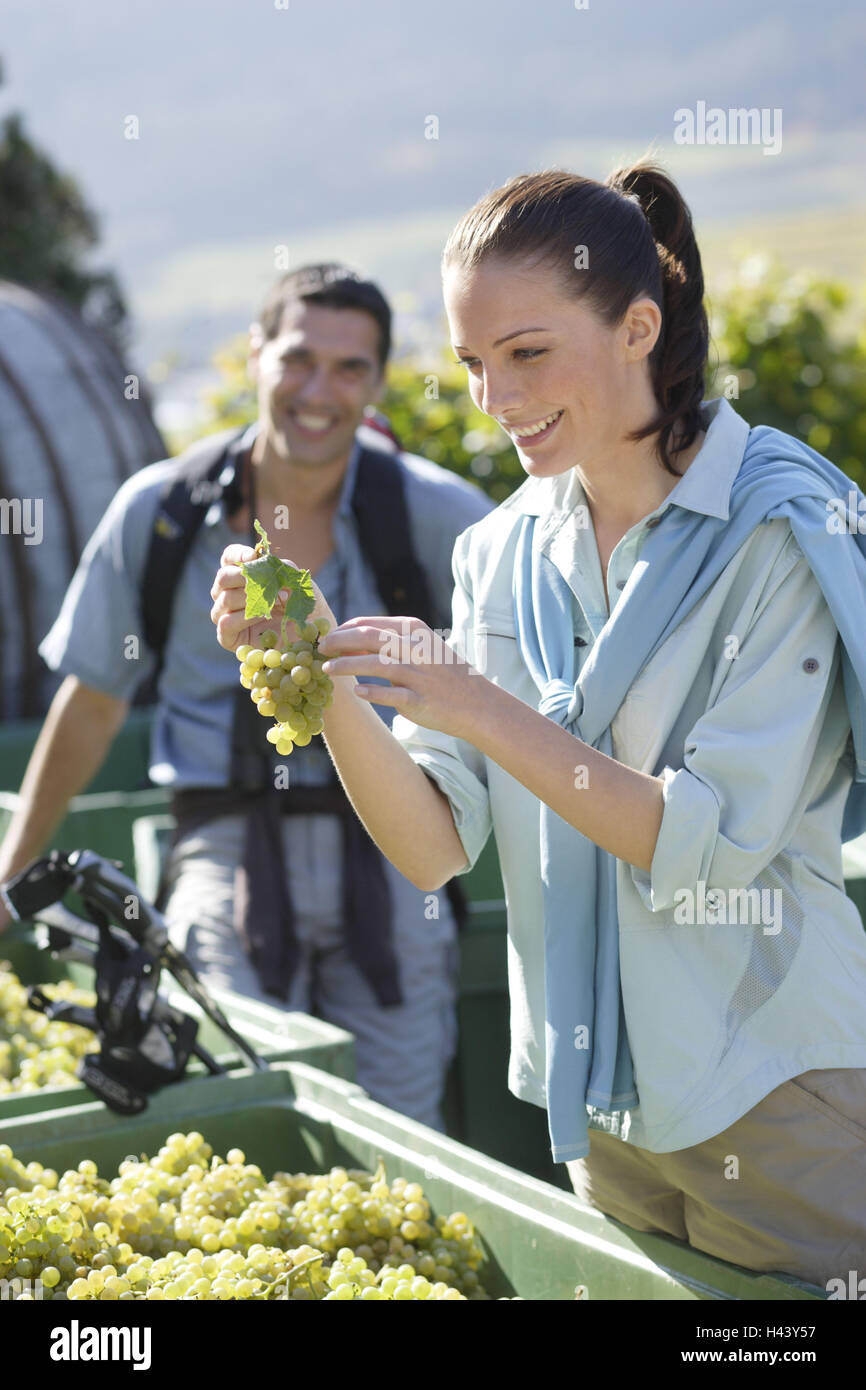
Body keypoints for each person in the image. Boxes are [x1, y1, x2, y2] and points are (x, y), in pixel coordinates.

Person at [211, 164, 866, 1291]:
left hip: (775, 1089)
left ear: (637, 328)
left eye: (524, 352)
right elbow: (432, 846)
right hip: (598, 1100)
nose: (491, 399)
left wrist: (474, 699)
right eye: (470, 364)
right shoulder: (500, 550)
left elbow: (695, 843)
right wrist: (315, 663)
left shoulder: (778, 529)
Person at [0, 262, 493, 1131]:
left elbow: (512, 687)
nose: (318, 390)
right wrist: (9, 875)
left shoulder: (436, 514)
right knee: (229, 1112)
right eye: (299, 358)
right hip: (221, 851)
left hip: (393, 850)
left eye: (350, 369)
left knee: (404, 1131)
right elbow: (91, 704)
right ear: (257, 353)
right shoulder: (161, 512)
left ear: (377, 383)